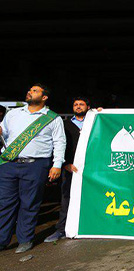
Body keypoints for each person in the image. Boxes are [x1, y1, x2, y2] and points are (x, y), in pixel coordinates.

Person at [0, 84, 66, 253]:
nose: (29, 92)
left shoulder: (52, 118)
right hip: (9, 164)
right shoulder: (13, 114)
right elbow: (4, 134)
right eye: (29, 90)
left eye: (35, 91)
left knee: (29, 203)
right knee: (4, 203)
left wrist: (57, 165)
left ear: (44, 97)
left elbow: (59, 142)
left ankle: (25, 239)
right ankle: (1, 240)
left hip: (36, 165)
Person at [45, 97, 90, 243]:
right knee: (67, 198)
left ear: (88, 107)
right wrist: (65, 164)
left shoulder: (95, 123)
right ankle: (61, 229)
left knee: (91, 196)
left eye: (81, 104)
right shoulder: (63, 125)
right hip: (70, 168)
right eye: (75, 104)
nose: (78, 106)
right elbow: (57, 145)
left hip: (91, 168)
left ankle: (90, 227)